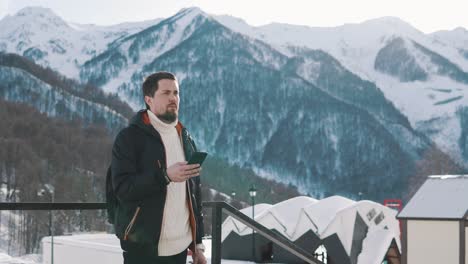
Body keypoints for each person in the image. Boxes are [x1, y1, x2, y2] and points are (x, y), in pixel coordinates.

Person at [111, 71, 207, 264]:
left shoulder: (185, 137)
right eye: (165, 93)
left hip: (181, 249)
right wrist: (165, 176)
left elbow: (193, 194)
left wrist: (197, 245)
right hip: (143, 249)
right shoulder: (129, 138)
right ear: (149, 99)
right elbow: (123, 188)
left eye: (176, 93)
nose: (173, 98)